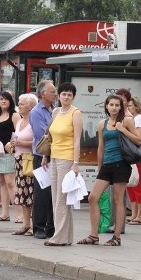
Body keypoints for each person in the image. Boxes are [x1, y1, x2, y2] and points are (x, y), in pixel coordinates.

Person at [77, 93, 140, 247]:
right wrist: (100, 167)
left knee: (118, 200)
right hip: (107, 164)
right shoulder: (102, 124)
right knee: (93, 197)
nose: (114, 108)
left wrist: (123, 129)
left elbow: (138, 139)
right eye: (111, 105)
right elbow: (101, 147)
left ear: (121, 107)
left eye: (117, 105)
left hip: (121, 164)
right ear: (106, 106)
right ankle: (93, 235)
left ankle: (116, 237)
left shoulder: (127, 120)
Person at [42, 82, 83, 247]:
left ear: (73, 97)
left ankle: (58, 237)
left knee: (62, 198)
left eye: (69, 94)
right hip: (54, 157)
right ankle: (65, 237)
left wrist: (76, 163)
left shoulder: (76, 113)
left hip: (67, 158)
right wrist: (46, 155)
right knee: (56, 197)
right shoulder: (56, 111)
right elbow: (49, 136)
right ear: (58, 96)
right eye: (64, 94)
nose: (66, 97)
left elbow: (77, 139)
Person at [30, 80, 57, 239]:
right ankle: (38, 227)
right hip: (42, 156)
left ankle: (51, 226)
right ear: (43, 94)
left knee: (53, 193)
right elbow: (43, 136)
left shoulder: (55, 110)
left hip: (56, 155)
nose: (55, 94)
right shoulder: (37, 112)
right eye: (52, 91)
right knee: (42, 193)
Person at [9, 93, 36, 235]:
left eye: (22, 104)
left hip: (29, 159)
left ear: (31, 106)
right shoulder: (19, 121)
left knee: (30, 191)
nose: (19, 106)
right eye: (19, 103)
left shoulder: (34, 121)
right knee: (22, 192)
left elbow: (39, 142)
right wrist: (12, 145)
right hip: (19, 159)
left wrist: (20, 143)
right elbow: (15, 138)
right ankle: (26, 224)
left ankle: (32, 225)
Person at [0, 91, 21, 222]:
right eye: (1, 99)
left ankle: (19, 214)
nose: (3, 101)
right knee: (1, 183)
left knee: (10, 182)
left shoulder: (14, 115)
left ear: (10, 101)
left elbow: (19, 134)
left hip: (10, 152)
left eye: (6, 99)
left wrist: (13, 146)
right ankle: (5, 213)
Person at [125, 96, 141, 225]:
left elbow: (138, 137)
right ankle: (134, 213)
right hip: (130, 155)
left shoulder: (139, 119)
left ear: (136, 107)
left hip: (137, 155)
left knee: (137, 185)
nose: (128, 108)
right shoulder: (131, 119)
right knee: (131, 184)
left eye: (130, 106)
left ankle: (140, 215)